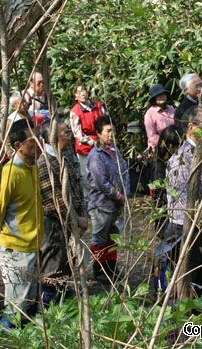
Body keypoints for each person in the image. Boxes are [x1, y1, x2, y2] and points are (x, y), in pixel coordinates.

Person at [165, 106, 202, 295]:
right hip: (186, 229)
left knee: (201, 283)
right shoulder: (183, 159)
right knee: (187, 285)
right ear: (191, 127)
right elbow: (186, 206)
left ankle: (198, 320)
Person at [37, 120, 89, 305]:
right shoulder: (45, 162)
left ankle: (61, 301)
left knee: (69, 263)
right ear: (52, 138)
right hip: (55, 224)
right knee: (54, 265)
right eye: (65, 133)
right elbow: (52, 201)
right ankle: (47, 307)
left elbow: (78, 187)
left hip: (72, 221)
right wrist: (74, 220)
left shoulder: (67, 156)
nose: (69, 136)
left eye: (69, 132)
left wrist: (82, 216)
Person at [0, 119, 43, 325]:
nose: (39, 144)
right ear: (18, 146)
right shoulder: (10, 173)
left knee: (27, 300)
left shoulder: (32, 167)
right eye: (33, 141)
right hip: (16, 248)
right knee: (16, 304)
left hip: (32, 245)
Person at [86, 115, 127, 285]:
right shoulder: (96, 155)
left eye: (113, 131)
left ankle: (111, 269)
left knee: (113, 237)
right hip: (101, 204)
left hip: (115, 204)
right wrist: (118, 196)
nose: (111, 135)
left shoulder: (114, 151)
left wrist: (126, 192)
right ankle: (99, 271)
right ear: (98, 133)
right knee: (99, 239)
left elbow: (123, 172)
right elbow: (101, 182)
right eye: (107, 131)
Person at [68, 85, 105, 199]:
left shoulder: (97, 105)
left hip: (101, 142)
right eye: (78, 92)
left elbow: (105, 121)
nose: (82, 94)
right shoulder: (75, 111)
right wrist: (92, 142)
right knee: (86, 175)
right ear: (75, 97)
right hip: (85, 148)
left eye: (83, 90)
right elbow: (77, 133)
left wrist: (103, 138)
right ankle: (88, 202)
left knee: (102, 172)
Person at [144, 84, 175, 154]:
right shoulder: (150, 114)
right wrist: (165, 144)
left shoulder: (171, 109)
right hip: (158, 150)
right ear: (154, 99)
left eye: (163, 94)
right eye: (158, 95)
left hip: (174, 147)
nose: (162, 96)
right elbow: (152, 136)